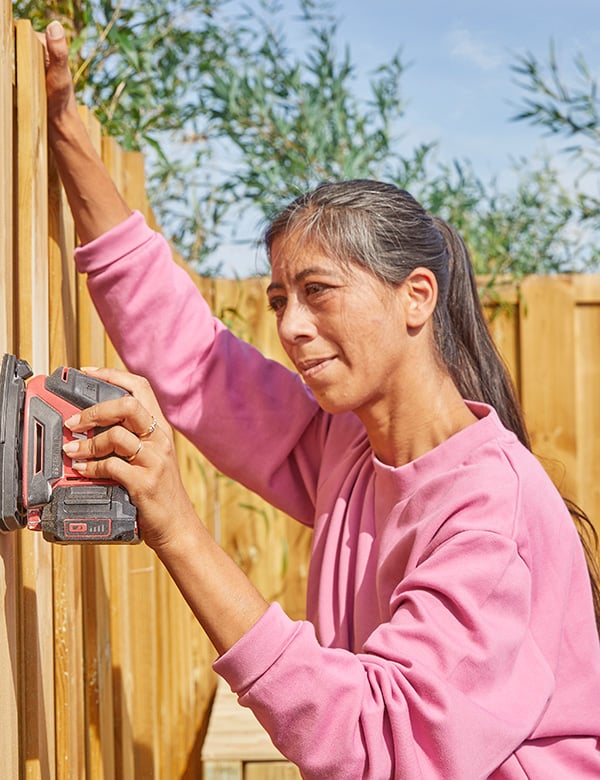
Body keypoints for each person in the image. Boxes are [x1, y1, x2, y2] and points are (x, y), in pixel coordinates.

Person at [41, 20, 600, 779]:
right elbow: (193, 360)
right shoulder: (354, 448)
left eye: (318, 292)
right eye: (279, 300)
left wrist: (176, 525)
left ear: (416, 298)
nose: (292, 328)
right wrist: (68, 129)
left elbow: (380, 744)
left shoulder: (485, 511)